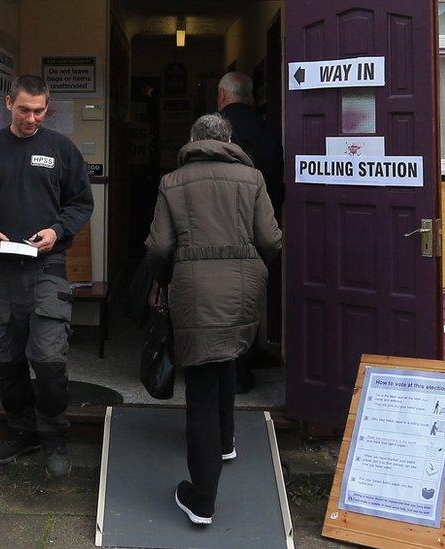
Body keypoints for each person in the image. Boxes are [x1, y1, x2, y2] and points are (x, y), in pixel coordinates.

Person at [145, 114, 283, 525]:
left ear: (193, 140)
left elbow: (159, 245)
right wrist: (252, 267)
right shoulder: (253, 178)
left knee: (201, 385)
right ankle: (225, 442)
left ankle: (201, 498)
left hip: (194, 288)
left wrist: (163, 278)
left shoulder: (173, 181)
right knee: (227, 357)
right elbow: (271, 240)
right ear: (229, 141)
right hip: (244, 287)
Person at [0, 74, 94, 478]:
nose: (32, 118)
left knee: (50, 360)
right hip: (4, 273)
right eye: (25, 110)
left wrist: (57, 230)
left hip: (47, 271)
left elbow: (80, 203)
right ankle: (22, 431)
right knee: (9, 359)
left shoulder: (61, 149)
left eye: (39, 111)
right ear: (7, 104)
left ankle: (54, 436)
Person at [217, 72, 285, 394]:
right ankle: (246, 357)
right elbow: (275, 178)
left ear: (221, 96)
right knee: (250, 296)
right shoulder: (266, 128)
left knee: (220, 297)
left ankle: (230, 368)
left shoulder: (214, 129)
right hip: (257, 225)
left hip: (218, 225)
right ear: (251, 97)